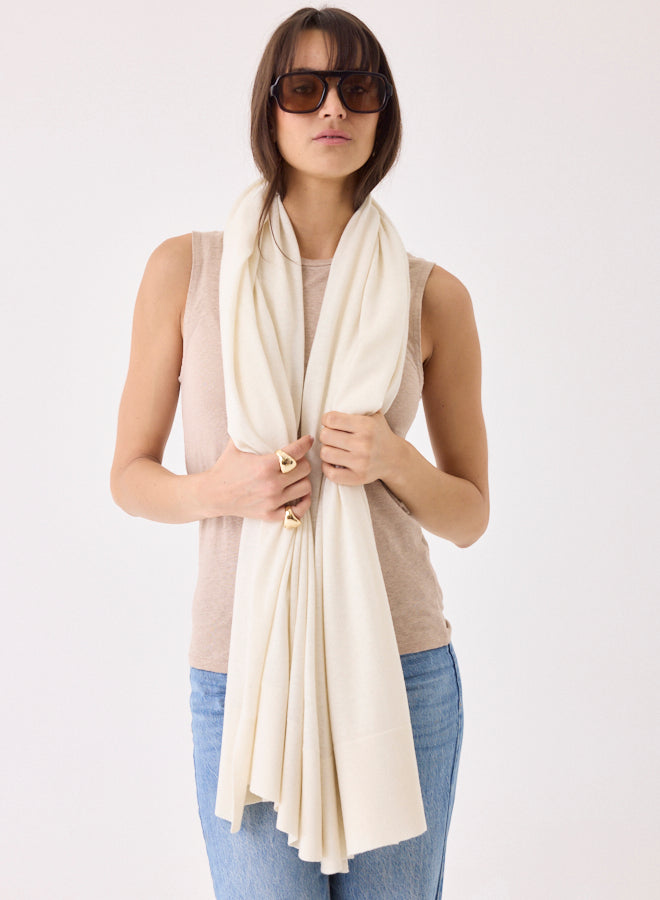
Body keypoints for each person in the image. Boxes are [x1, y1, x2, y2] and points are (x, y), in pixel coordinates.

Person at [110, 6, 488, 898]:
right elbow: (128, 476)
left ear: (383, 110)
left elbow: (470, 515)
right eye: (305, 88)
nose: (333, 110)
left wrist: (395, 460)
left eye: (358, 88)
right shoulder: (187, 271)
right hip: (241, 669)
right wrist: (219, 491)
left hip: (399, 670)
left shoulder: (431, 295)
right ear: (269, 109)